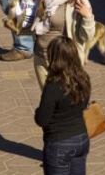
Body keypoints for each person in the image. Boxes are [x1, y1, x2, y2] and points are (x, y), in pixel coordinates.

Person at [32, 0, 96, 89]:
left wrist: (87, 17)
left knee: (62, 102)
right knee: (46, 100)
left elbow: (87, 37)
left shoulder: (79, 1)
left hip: (63, 62)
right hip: (40, 56)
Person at [35, 36, 91, 175]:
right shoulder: (83, 78)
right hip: (81, 138)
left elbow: (42, 119)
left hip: (59, 143)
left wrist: (37, 111)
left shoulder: (53, 86)